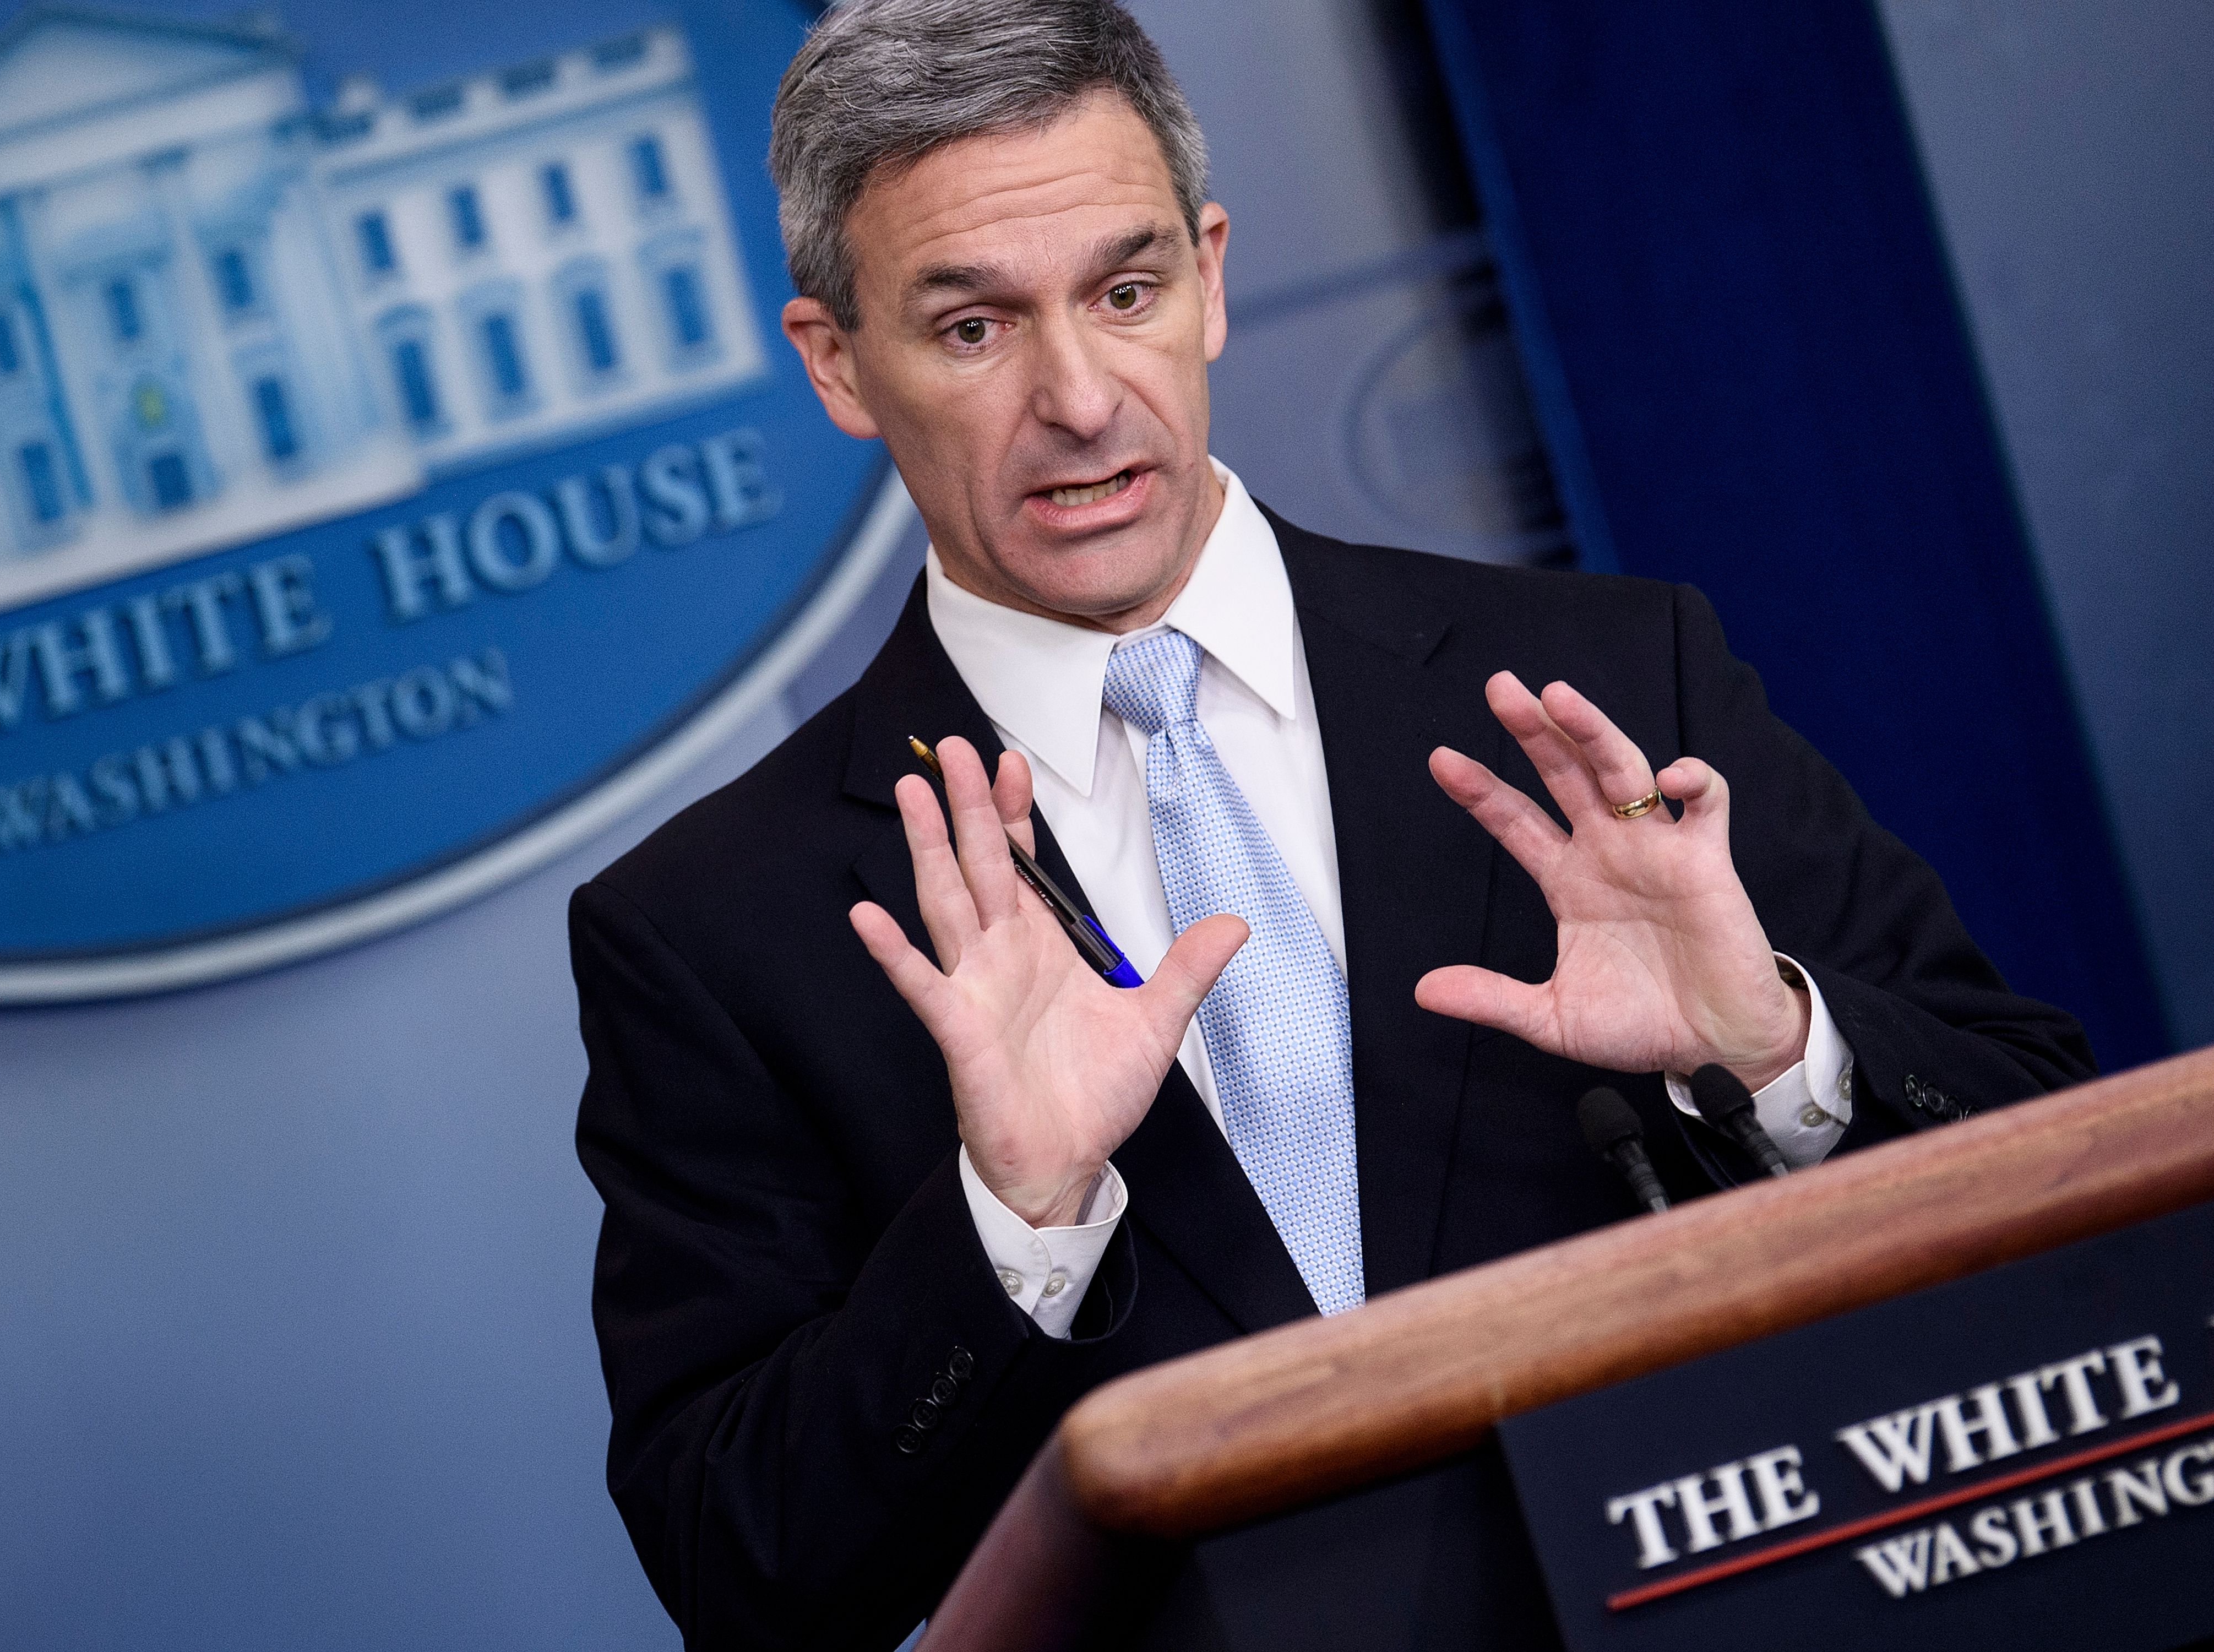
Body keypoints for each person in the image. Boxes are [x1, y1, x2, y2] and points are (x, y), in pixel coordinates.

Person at [570, 2, 2094, 1645]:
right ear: (836, 364)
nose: (1080, 399)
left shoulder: (1606, 681)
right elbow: (747, 1570)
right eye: (971, 330)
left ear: (1210, 276)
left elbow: (2063, 1173)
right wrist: (1009, 1221)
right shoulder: (723, 924)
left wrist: (1773, 1051)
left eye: (1125, 291)